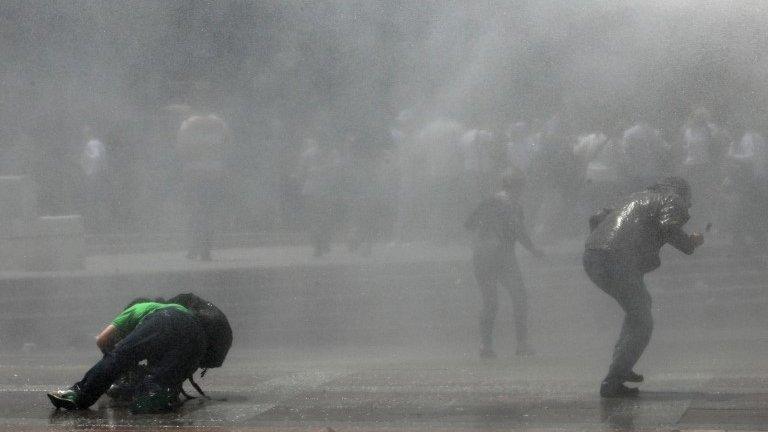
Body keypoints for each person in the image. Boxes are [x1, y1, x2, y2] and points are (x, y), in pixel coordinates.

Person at [583, 177, 704, 398]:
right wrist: (689, 244)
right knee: (642, 320)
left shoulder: (634, 197)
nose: (689, 205)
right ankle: (613, 380)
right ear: (682, 193)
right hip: (618, 260)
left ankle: (622, 366)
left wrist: (600, 243)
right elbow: (669, 226)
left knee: (639, 309)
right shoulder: (672, 199)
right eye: (689, 200)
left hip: (592, 257)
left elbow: (596, 216)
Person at [46, 300, 207, 413]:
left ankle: (79, 393)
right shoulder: (177, 309)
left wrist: (119, 363)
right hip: (197, 336)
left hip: (166, 319)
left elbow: (102, 340)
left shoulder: (138, 308)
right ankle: (153, 396)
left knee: (119, 356)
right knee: (158, 378)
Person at [465, 168, 544, 359]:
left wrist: (485, 233)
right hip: (502, 255)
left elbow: (469, 224)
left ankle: (485, 346)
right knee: (520, 297)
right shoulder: (512, 204)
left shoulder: (489, 201)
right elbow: (517, 229)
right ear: (517, 186)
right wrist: (533, 250)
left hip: (482, 254)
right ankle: (522, 344)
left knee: (490, 302)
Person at [176, 113, 228, 261]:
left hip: (193, 174)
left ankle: (193, 248)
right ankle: (206, 249)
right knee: (209, 213)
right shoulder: (220, 123)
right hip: (214, 174)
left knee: (193, 211)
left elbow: (180, 150)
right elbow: (227, 146)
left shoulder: (187, 124)